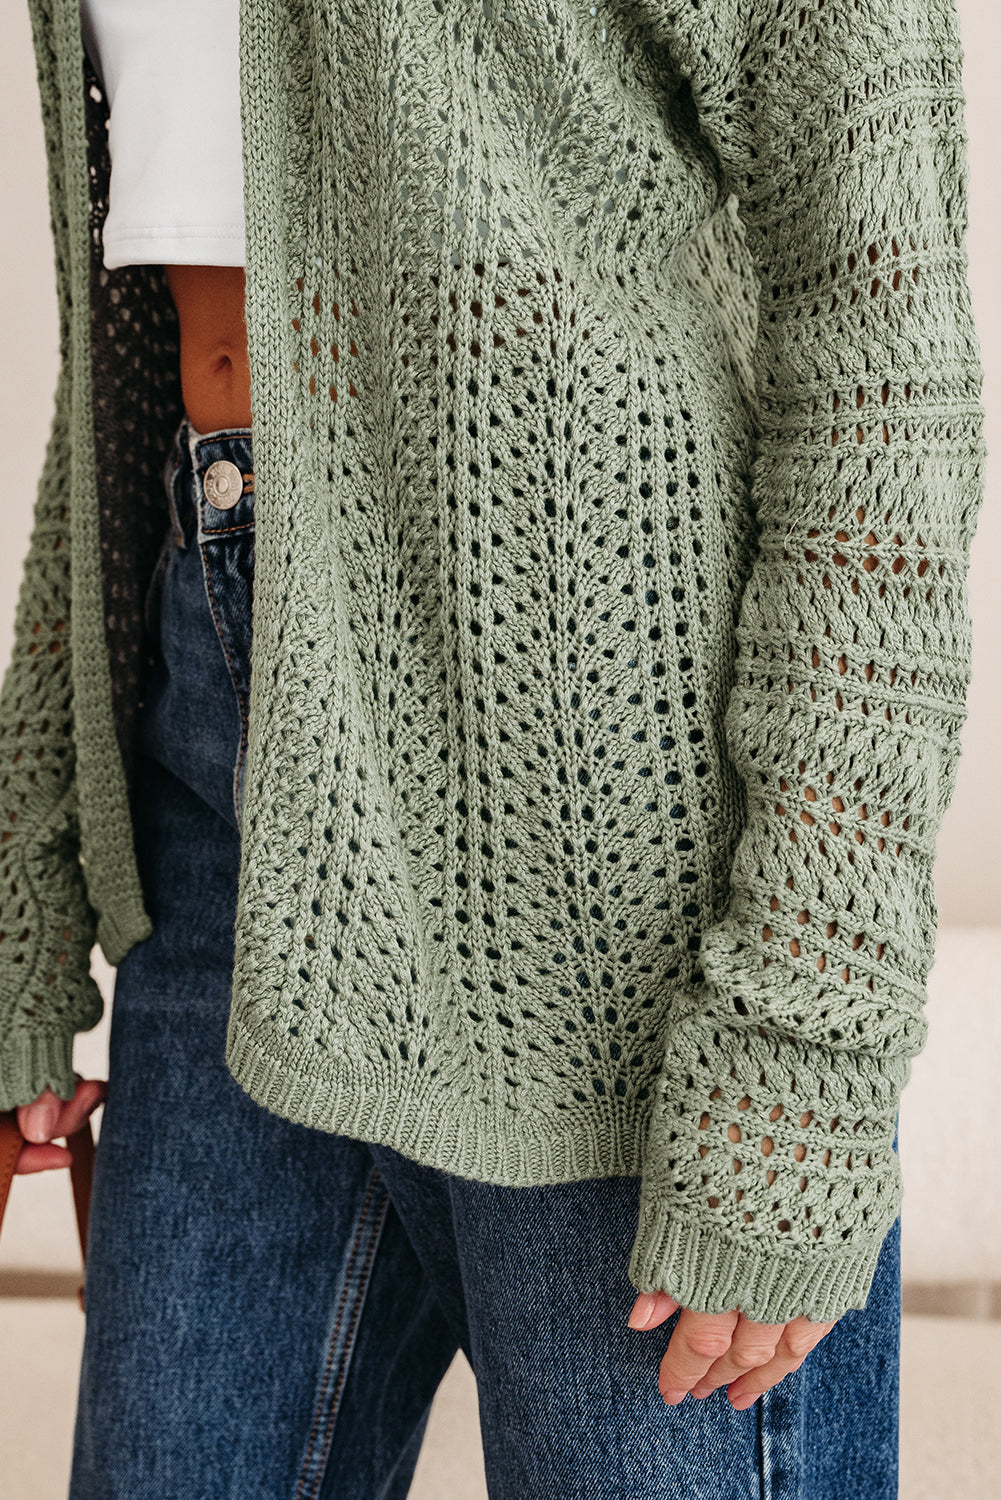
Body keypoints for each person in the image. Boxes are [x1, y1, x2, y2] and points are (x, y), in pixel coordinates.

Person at [3, 0, 984, 1494]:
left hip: (605, 848)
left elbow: (884, 352)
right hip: (218, 786)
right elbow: (131, 335)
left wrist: (808, 1039)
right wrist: (28, 882)